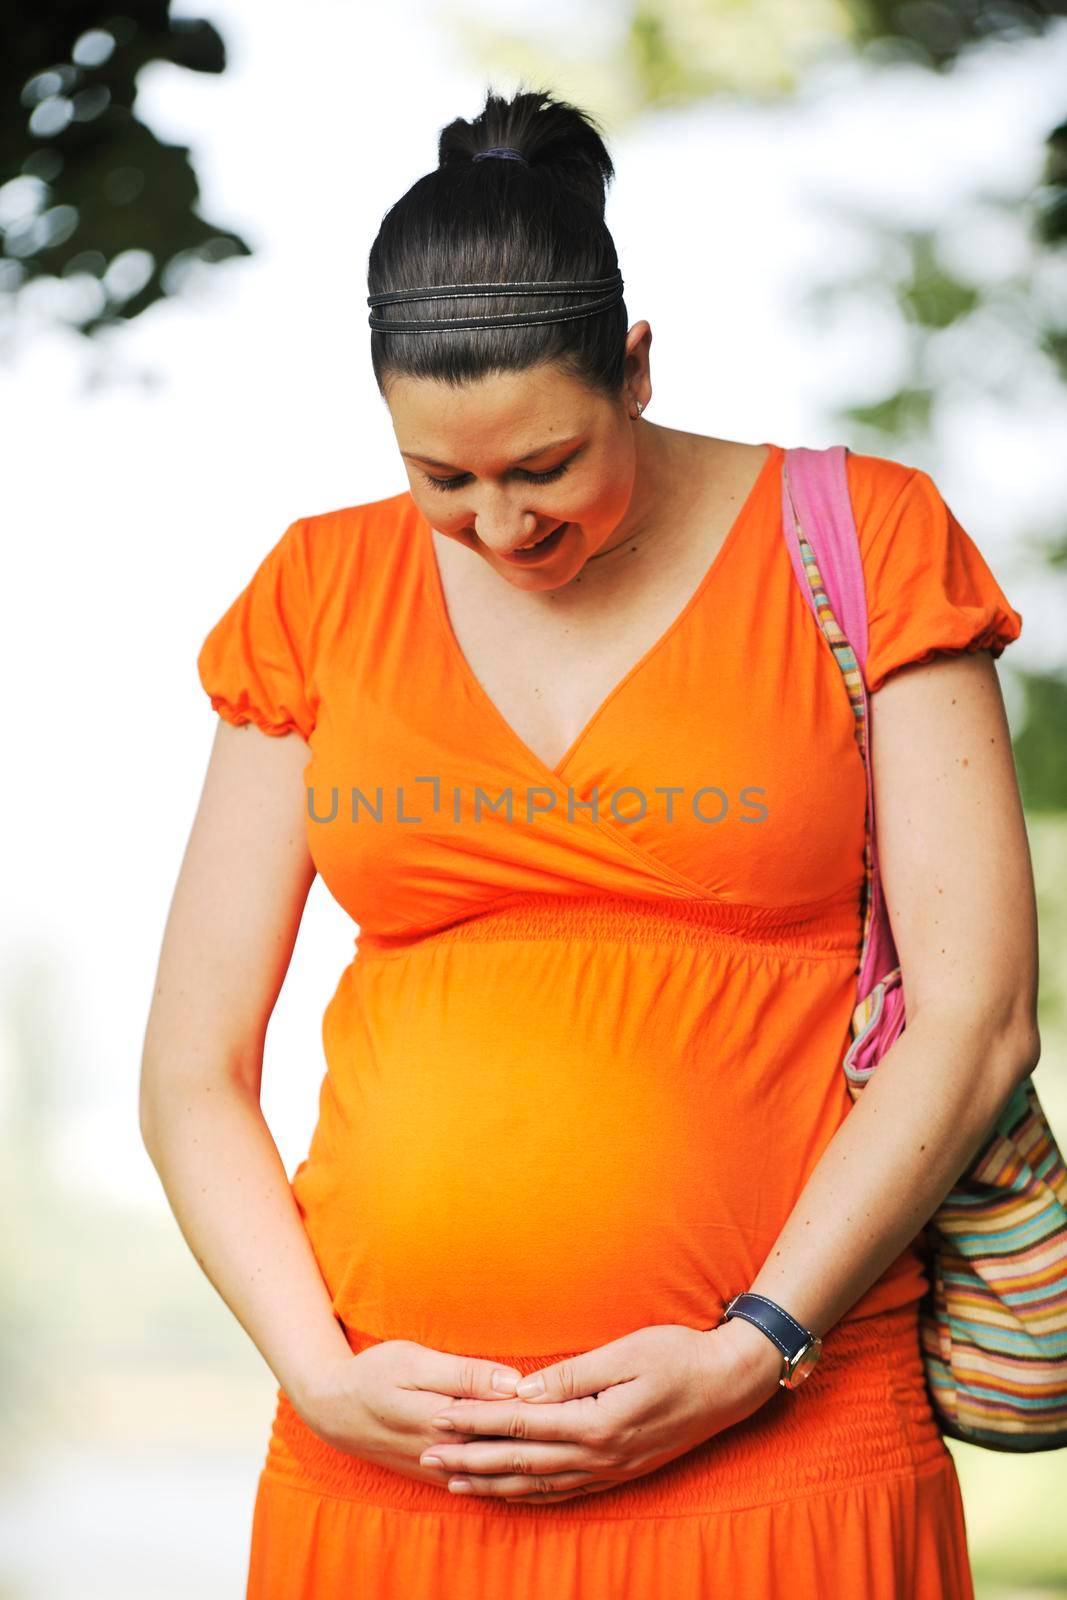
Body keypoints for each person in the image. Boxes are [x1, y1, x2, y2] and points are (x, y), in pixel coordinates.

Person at [140, 86, 1041, 1599]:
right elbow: (190, 1070)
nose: (501, 528)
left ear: (632, 365)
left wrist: (757, 1346)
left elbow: (979, 1016)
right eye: (445, 481)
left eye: (543, 467)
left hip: (782, 1450)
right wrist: (316, 1374)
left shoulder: (867, 541)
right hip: (392, 1469)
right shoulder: (314, 589)